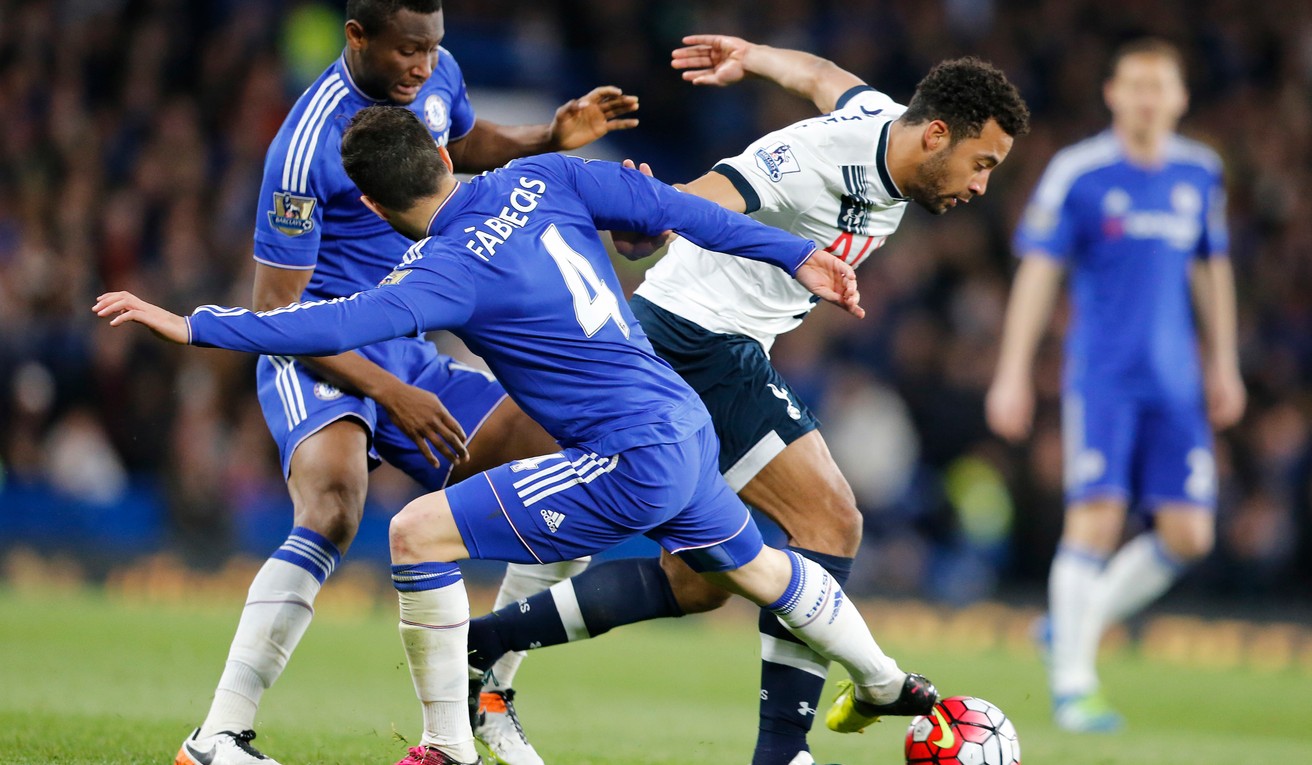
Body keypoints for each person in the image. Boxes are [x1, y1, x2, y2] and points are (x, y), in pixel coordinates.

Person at [95, 104, 941, 765]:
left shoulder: (444, 269)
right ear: (444, 157)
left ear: (377, 205)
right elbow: (676, 208)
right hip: (684, 423)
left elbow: (322, 324)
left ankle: (448, 745)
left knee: (415, 532)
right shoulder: (546, 177)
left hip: (626, 457)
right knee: (760, 569)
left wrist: (192, 324)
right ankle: (885, 678)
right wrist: (792, 255)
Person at [470, 36, 1029, 765]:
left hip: (700, 341)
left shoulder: (880, 119)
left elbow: (821, 75)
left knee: (696, 583)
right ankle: (785, 749)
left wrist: (751, 55)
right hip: (697, 341)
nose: (981, 186)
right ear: (936, 136)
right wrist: (648, 219)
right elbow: (712, 193)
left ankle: (481, 646)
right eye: (982, 163)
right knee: (829, 520)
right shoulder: (815, 163)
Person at [173, 1, 637, 763]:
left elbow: (460, 146)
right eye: (406, 50)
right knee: (333, 504)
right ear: (357, 37)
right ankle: (217, 735)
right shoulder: (304, 145)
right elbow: (277, 310)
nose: (422, 66)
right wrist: (389, 393)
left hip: (403, 344)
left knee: (565, 450)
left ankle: (490, 689)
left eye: (432, 47)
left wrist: (548, 137)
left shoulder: (437, 73)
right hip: (318, 345)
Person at [985, 38, 1244, 732]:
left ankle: (1071, 623)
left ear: (1180, 98)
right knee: (1096, 519)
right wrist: (1012, 372)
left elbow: (1211, 268)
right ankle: (1074, 687)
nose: (1147, 98)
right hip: (1103, 378)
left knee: (1190, 533)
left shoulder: (1200, 172)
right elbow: (1038, 272)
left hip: (1177, 381)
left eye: (1160, 86)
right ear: (1112, 94)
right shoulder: (1080, 173)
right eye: (1135, 85)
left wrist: (1224, 361)